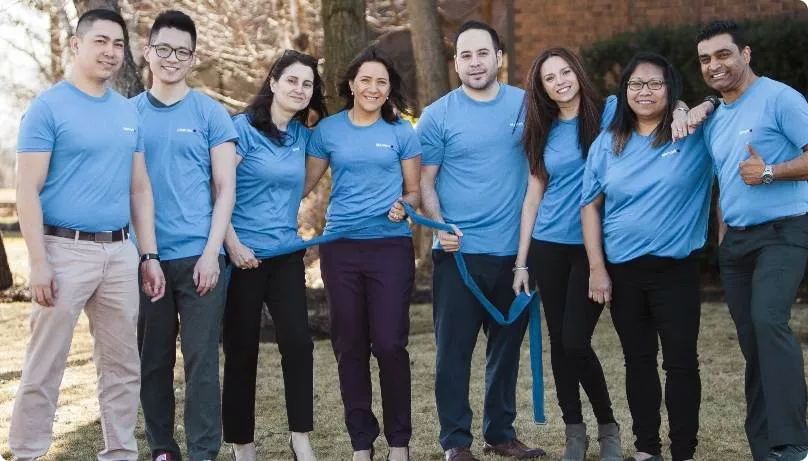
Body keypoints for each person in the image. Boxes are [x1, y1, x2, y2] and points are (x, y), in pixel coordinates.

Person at [9, 8, 164, 461]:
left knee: (122, 366)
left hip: (119, 252)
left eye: (118, 44)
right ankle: (26, 452)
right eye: (100, 41)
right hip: (62, 250)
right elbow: (27, 189)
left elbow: (139, 188)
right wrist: (38, 261)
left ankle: (120, 452)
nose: (111, 52)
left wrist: (147, 254)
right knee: (45, 365)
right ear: (76, 45)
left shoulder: (127, 112)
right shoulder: (47, 107)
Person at [417, 20, 545, 461]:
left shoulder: (528, 105)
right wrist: (441, 227)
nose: (474, 63)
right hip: (458, 258)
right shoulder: (437, 115)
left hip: (515, 255)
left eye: (482, 53)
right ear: (456, 63)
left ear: (498, 57)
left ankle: (501, 433)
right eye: (465, 55)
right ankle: (456, 442)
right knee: (452, 356)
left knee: (505, 353)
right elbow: (426, 183)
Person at [581, 52, 713, 461]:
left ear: (671, 88)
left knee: (680, 363)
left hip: (677, 271)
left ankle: (683, 452)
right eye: (635, 84)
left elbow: (727, 102)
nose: (644, 91)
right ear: (624, 92)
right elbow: (590, 205)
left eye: (655, 83)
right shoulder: (608, 141)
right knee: (637, 361)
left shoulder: (694, 135)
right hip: (623, 273)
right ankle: (646, 449)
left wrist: (695, 106)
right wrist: (598, 269)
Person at [693, 20, 808, 461]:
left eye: (723, 54)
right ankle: (765, 447)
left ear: (746, 53)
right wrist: (723, 237)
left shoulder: (780, 98)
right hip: (736, 245)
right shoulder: (716, 118)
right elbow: (724, 183)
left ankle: (793, 443)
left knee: (768, 322)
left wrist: (769, 172)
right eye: (705, 59)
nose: (714, 65)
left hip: (784, 231)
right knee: (752, 343)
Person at [303, 45, 421, 461]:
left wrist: (404, 204)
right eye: (365, 80)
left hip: (390, 247)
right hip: (340, 250)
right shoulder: (328, 132)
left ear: (390, 90)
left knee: (389, 344)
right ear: (351, 84)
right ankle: (361, 443)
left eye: (381, 82)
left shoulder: (402, 131)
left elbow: (413, 190)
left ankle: (399, 443)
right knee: (349, 345)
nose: (373, 88)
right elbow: (303, 186)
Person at [133, 10, 237, 461]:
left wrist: (213, 253)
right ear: (148, 52)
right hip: (145, 260)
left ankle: (202, 452)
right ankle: (162, 447)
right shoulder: (128, 115)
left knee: (201, 364)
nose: (171, 58)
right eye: (163, 49)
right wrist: (141, 256)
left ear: (193, 59)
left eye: (182, 51)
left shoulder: (211, 114)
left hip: (200, 259)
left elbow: (224, 187)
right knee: (153, 362)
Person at [511, 47, 621, 461]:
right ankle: (575, 433)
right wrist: (521, 262)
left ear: (577, 71)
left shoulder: (608, 111)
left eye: (564, 72)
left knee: (575, 341)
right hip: (548, 246)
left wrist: (685, 107)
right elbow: (532, 200)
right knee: (560, 343)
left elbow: (658, 101)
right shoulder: (543, 130)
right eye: (549, 78)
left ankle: (609, 428)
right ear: (542, 89)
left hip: (594, 248)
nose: (560, 82)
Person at [222, 49, 326, 461]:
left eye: (307, 84)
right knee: (242, 348)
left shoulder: (303, 136)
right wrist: (232, 244)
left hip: (285, 254)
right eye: (292, 81)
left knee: (299, 344)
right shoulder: (240, 131)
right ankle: (241, 443)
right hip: (242, 257)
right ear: (273, 82)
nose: (299, 90)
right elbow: (217, 194)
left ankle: (300, 436)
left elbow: (301, 185)